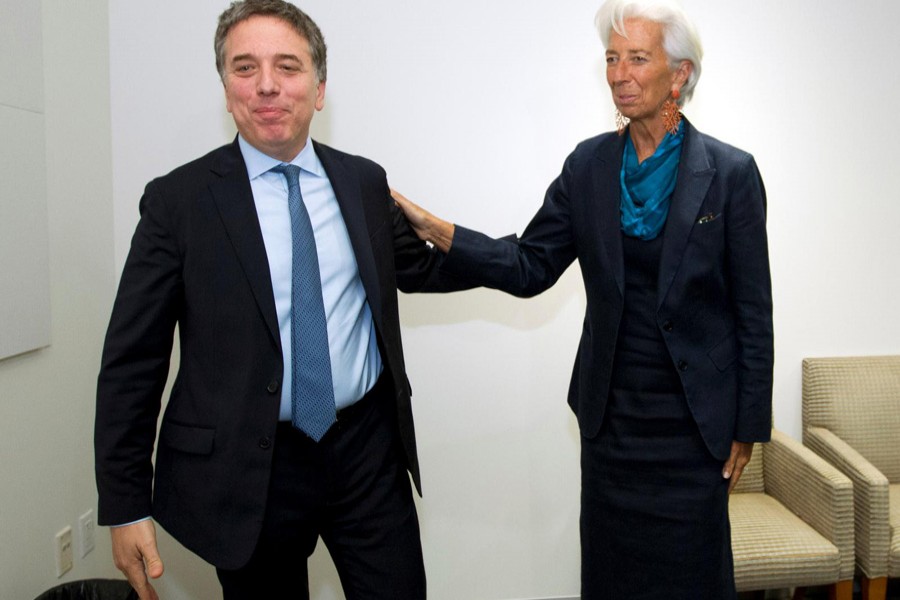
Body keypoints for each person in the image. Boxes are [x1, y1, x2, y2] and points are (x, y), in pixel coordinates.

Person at [392, 0, 773, 597]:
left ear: (679, 75)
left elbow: (754, 312)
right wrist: (439, 230)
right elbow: (529, 264)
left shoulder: (730, 173)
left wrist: (748, 428)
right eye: (611, 58)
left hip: (692, 431)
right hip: (612, 426)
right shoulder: (590, 165)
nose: (619, 73)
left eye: (637, 58)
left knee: (692, 580)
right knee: (611, 577)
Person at [94, 2, 443, 599]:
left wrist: (522, 253)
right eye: (244, 67)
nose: (267, 86)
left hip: (364, 455)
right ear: (226, 88)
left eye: (288, 66)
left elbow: (424, 266)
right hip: (246, 469)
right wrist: (124, 504)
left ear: (320, 87)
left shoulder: (362, 182)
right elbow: (133, 362)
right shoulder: (178, 202)